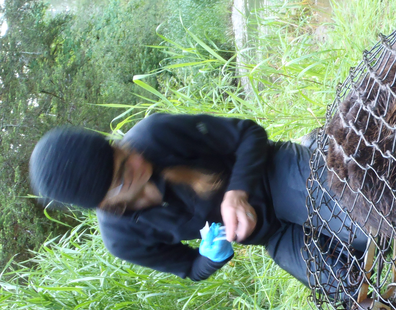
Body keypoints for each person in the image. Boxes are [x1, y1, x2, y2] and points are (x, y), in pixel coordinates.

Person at [29, 113, 367, 287]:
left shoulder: (154, 134)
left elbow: (250, 134)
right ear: (105, 204)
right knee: (344, 285)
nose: (134, 162)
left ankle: (313, 155)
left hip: (273, 171)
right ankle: (323, 174)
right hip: (271, 233)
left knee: (365, 227)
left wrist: (237, 192)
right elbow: (190, 269)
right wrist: (211, 257)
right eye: (122, 178)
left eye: (119, 153)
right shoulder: (122, 240)